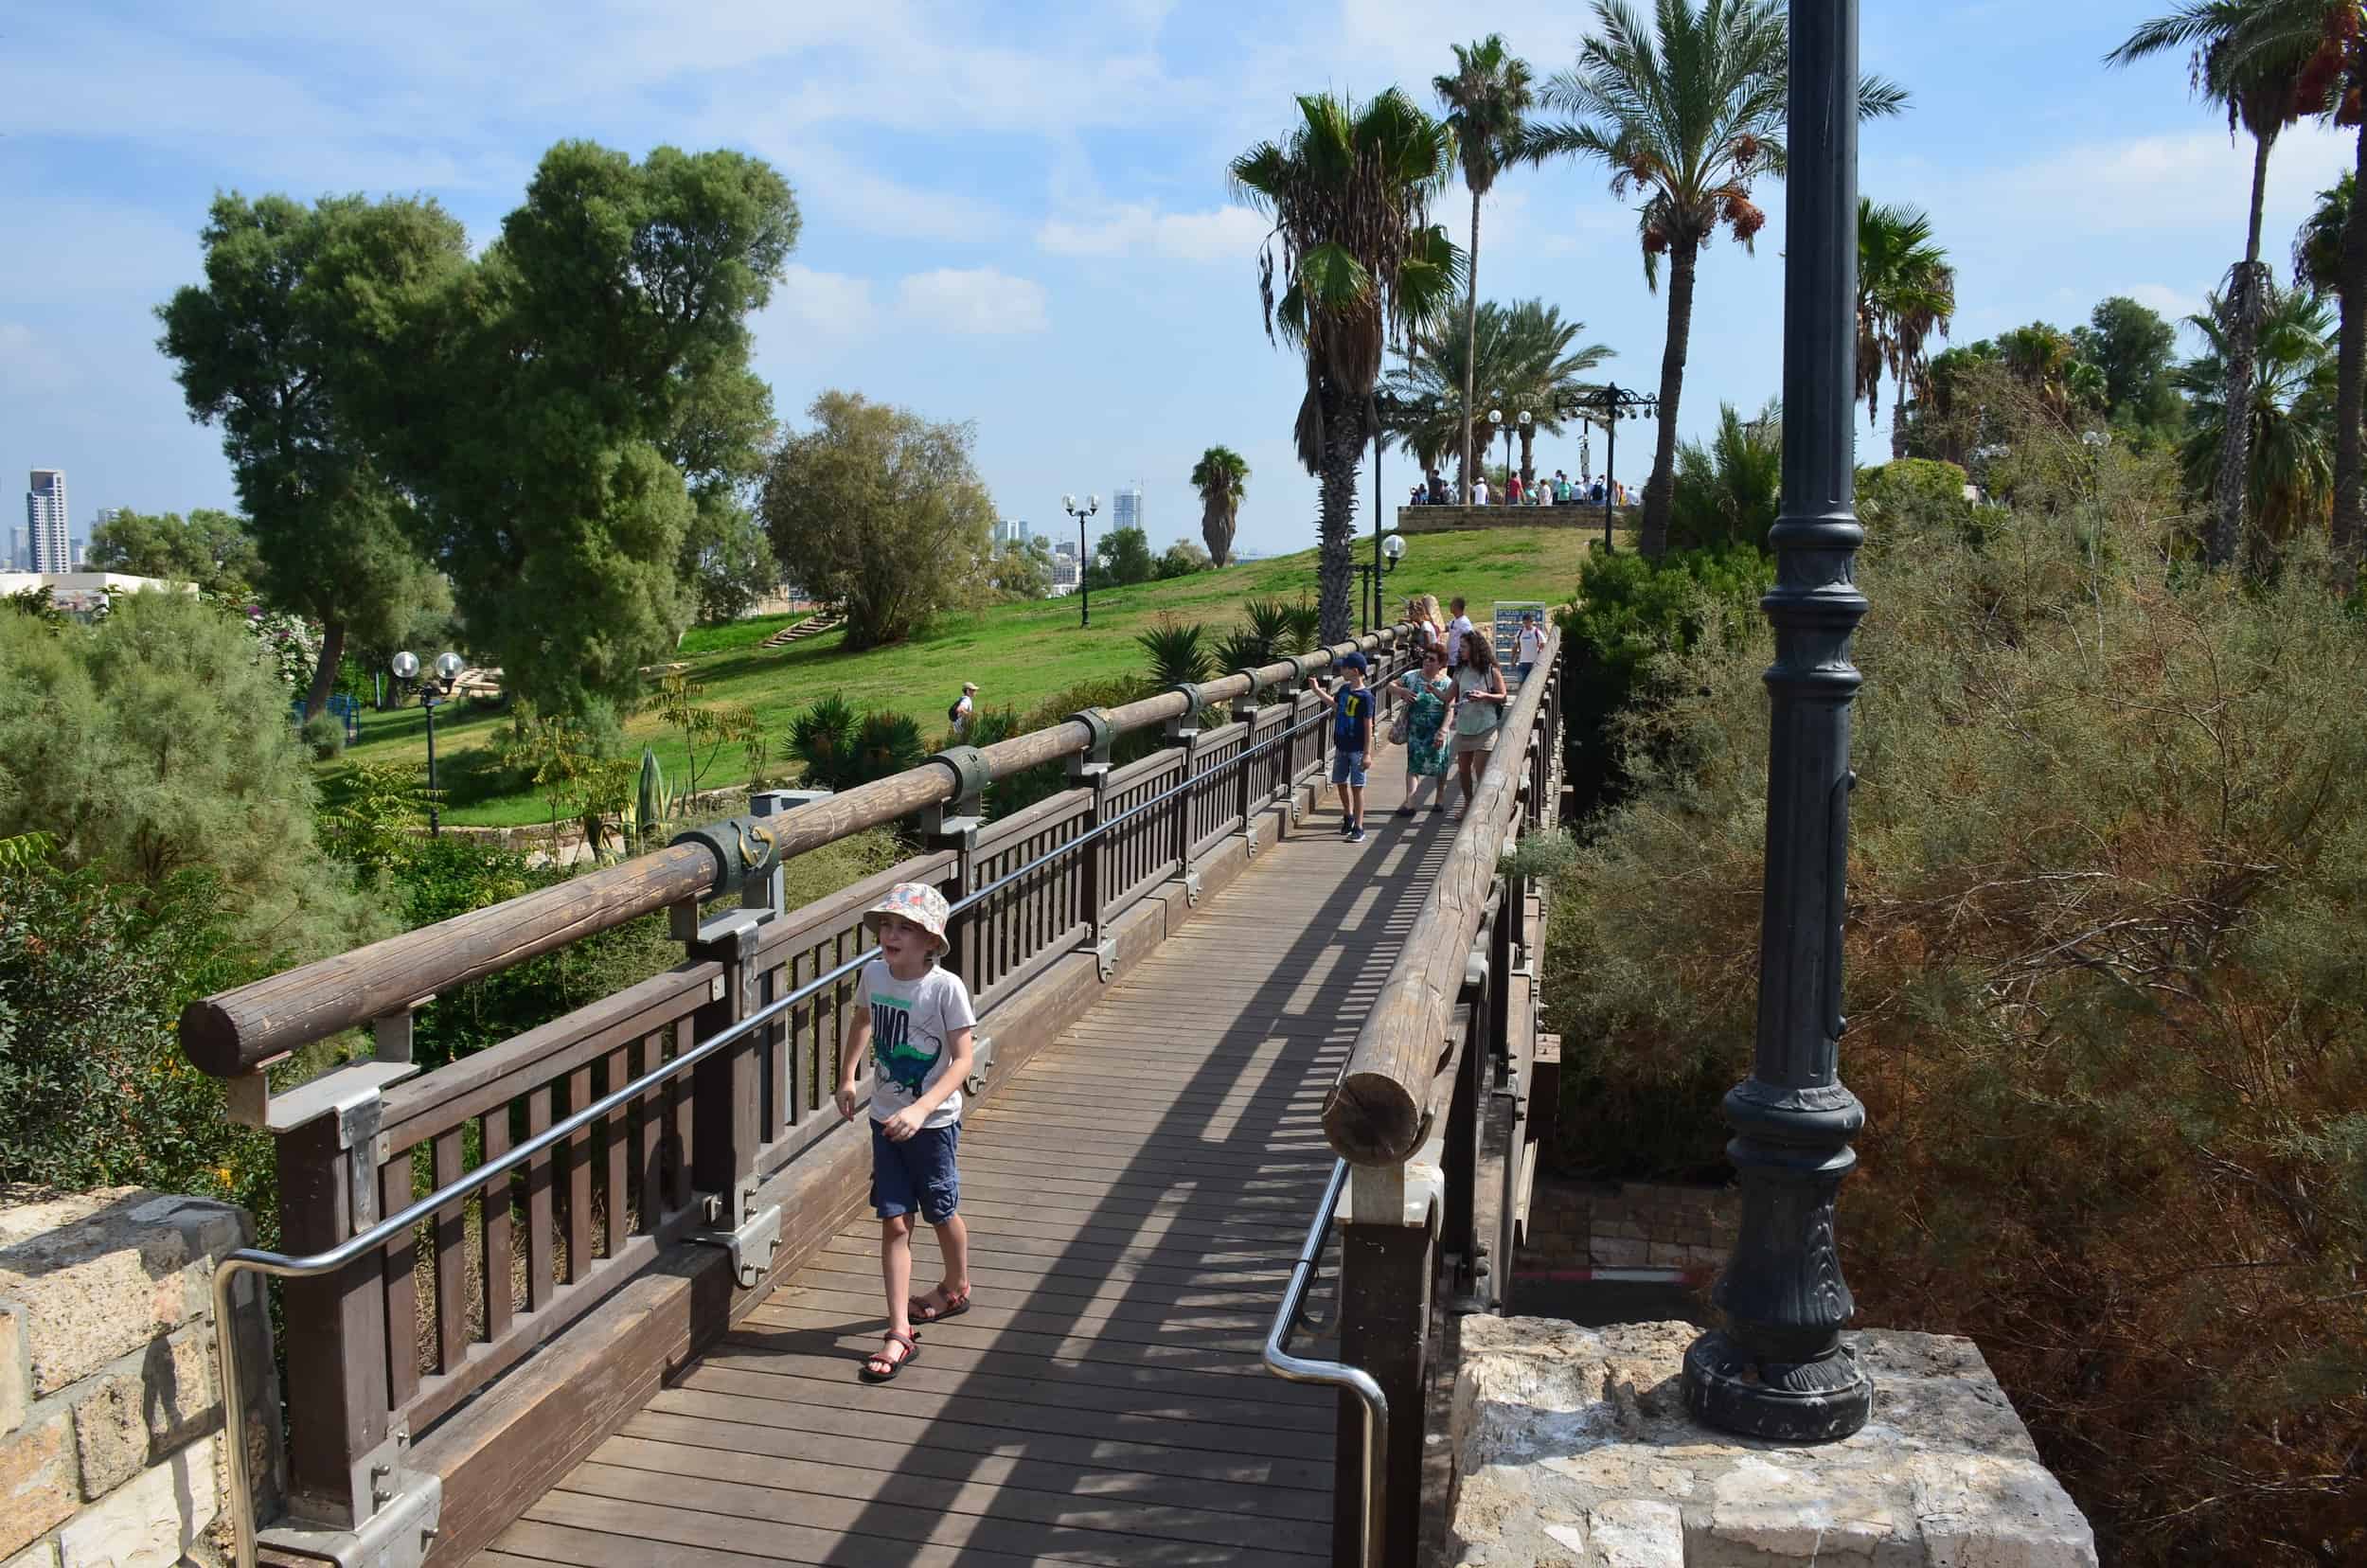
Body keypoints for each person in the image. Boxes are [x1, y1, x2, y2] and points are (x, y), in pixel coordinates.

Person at [834, 882, 977, 1383]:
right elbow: (862, 1019)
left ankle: (956, 1285)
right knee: (895, 1221)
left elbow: (963, 1061)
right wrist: (849, 1075)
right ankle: (899, 1330)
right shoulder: (875, 974)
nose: (890, 935)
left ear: (931, 942)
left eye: (905, 928)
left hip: (932, 1123)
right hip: (885, 1120)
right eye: (887, 926)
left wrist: (921, 1108)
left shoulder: (945, 989)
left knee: (941, 1211)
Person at [1447, 630, 1510, 810]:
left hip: (1485, 728)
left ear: (1475, 648)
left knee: (1481, 772)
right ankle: (1468, 803)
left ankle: (1481, 809)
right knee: (1464, 771)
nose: (1461, 651)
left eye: (1464, 647)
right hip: (1464, 727)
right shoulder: (1460, 671)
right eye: (1460, 647)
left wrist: (1484, 696)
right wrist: (1429, 690)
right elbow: (1447, 697)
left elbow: (1503, 696)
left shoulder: (1491, 670)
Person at [1389, 644, 1454, 817]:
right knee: (1413, 765)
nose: (1427, 661)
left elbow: (1450, 708)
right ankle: (1410, 802)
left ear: (1440, 664)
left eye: (1432, 659)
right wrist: (1401, 691)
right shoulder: (1411, 677)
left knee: (1440, 765)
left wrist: (1444, 730)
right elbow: (1390, 685)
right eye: (1426, 657)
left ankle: (1439, 798)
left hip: (1436, 730)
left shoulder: (1446, 683)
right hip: (1416, 731)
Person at [1328, 651, 1377, 843]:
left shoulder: (1366, 697)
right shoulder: (1344, 689)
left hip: (1357, 749)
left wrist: (1367, 753)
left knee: (1357, 787)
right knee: (1340, 782)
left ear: (1355, 671)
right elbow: (1335, 706)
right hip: (1341, 746)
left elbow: (1368, 725)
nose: (1341, 670)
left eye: (1344, 668)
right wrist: (1316, 691)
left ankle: (1359, 827)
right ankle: (1347, 816)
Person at [1445, 597, 1476, 673]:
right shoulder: (1453, 620)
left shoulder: (1464, 622)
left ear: (1457, 606)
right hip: (1451, 660)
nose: (1450, 606)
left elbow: (1472, 637)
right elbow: (1447, 628)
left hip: (1459, 661)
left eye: (1451, 604)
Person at [1513, 611, 1545, 684]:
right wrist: (1513, 659)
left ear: (1531, 622)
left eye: (1527, 622)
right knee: (1521, 683)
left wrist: (1540, 652)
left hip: (1534, 662)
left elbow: (1543, 644)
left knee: (1534, 683)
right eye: (1524, 623)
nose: (1526, 625)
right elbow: (1515, 646)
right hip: (1522, 662)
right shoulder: (1520, 632)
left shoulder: (1537, 632)